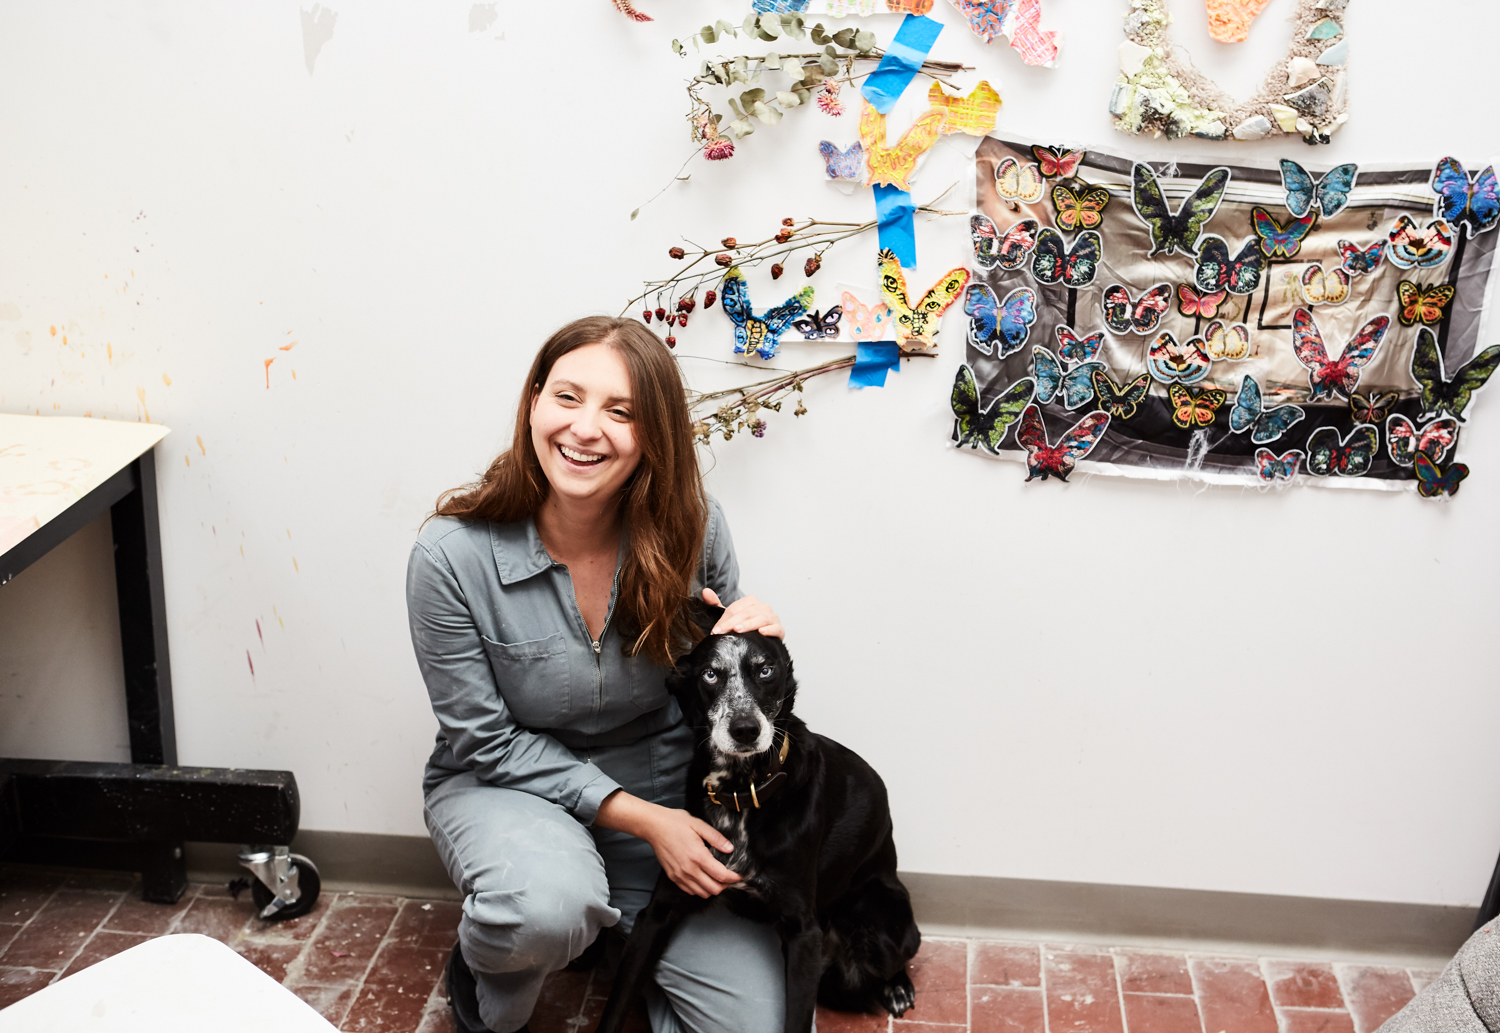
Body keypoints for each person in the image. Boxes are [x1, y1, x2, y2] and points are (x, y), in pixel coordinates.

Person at [406, 316, 787, 1033]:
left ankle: (610, 930)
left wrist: (754, 637)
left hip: (666, 784)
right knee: (542, 913)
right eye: (567, 397)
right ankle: (504, 953)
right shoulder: (449, 557)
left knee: (755, 1025)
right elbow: (485, 742)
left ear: (654, 435)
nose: (585, 429)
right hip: (510, 788)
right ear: (533, 403)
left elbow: (722, 684)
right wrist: (648, 823)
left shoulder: (697, 526)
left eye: (621, 412)